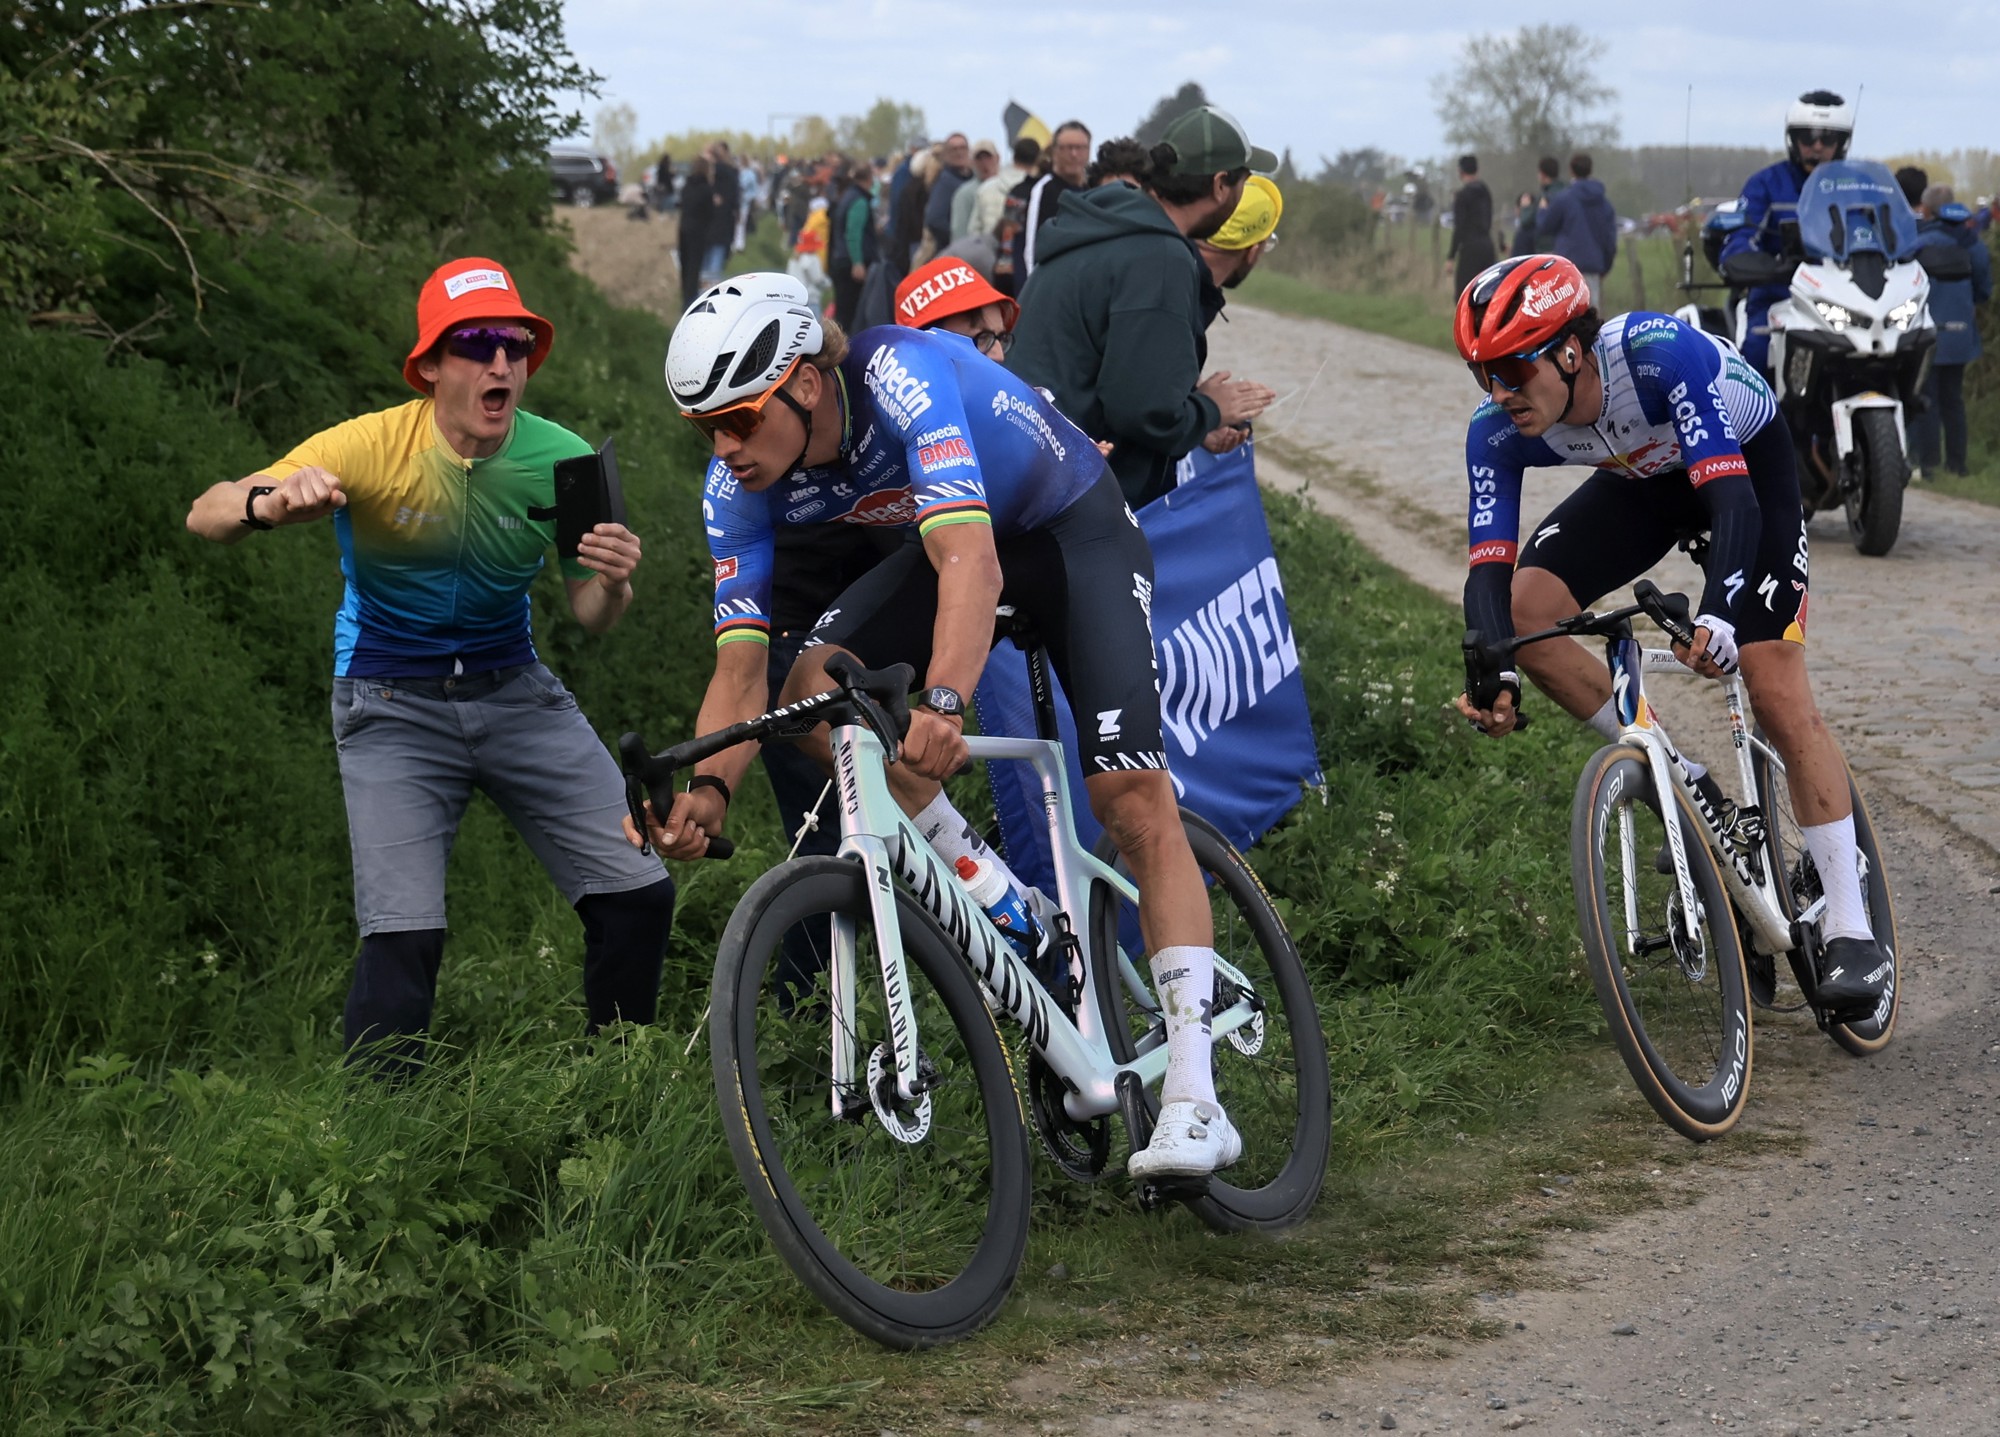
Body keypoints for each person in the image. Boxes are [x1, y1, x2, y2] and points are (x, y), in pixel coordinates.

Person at [651, 273, 1249, 1178]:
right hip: (965, 546)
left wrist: (943, 702)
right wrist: (707, 789)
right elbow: (740, 673)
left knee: (1128, 799)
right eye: (707, 429)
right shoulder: (734, 489)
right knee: (812, 693)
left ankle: (1197, 1096)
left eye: (739, 420)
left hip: (1071, 534)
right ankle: (1010, 903)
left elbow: (971, 561)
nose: (725, 446)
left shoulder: (905, 375)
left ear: (806, 383)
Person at [183, 257, 675, 1072]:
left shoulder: (564, 460)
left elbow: (590, 616)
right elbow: (207, 513)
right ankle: (379, 1157)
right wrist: (269, 503)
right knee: (402, 937)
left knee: (641, 891)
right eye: (476, 343)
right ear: (431, 367)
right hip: (389, 699)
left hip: (513, 684)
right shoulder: (370, 446)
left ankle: (614, 1089)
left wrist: (614, 582)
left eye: (515, 345)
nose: (500, 363)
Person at [1451, 254, 1893, 1024]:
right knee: (1528, 612)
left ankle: (1855, 932)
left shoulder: (1655, 356)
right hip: (1640, 484)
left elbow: (1732, 502)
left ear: (1568, 350)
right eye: (1482, 373)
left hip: (1743, 475)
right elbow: (1488, 572)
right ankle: (1691, 788)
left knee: (1770, 679)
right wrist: (1495, 675)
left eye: (1512, 370)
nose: (1499, 394)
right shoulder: (1497, 430)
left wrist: (1720, 615)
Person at [1007, 105, 1277, 509]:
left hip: (1030, 465)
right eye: (1242, 183)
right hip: (1072, 500)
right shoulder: (1160, 256)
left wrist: (1191, 417)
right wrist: (1208, 409)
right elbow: (1140, 410)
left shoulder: (1112, 222)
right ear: (1221, 185)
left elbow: (1118, 377)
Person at [1718, 91, 1855, 376]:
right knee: (1755, 353)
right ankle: (1752, 418)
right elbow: (1742, 234)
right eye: (1807, 137)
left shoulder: (1858, 186)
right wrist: (1751, 261)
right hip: (1782, 297)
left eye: (1827, 138)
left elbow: (1889, 233)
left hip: (1850, 299)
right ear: (1793, 139)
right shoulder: (1765, 184)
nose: (1817, 146)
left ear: (1842, 142)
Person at [1191, 174, 1282, 456]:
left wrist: (1199, 426)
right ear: (1253, 251)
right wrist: (1205, 410)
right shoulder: (1184, 293)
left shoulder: (1188, 279)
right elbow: (1140, 406)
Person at [1910, 184, 1992, 476]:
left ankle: (1927, 464)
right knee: (1953, 400)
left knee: (1926, 398)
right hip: (1960, 332)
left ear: (1928, 210)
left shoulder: (1920, 242)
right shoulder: (1973, 243)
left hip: (1926, 331)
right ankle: (1958, 465)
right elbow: (1984, 288)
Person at [1009, 119, 1091, 285]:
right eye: (1067, 148)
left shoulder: (1093, 189)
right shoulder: (1042, 190)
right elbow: (1029, 247)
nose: (1074, 154)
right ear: (1054, 151)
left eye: (1080, 148)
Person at [1536, 153, 1616, 305]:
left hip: (1567, 267)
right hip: (1593, 266)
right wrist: (1605, 265)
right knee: (1591, 316)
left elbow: (1545, 227)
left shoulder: (1564, 199)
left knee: (1567, 315)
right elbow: (1609, 238)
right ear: (1590, 170)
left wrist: (1542, 211)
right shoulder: (1604, 203)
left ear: (1571, 171)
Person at [827, 158, 876, 329]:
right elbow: (853, 234)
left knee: (842, 312)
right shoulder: (860, 201)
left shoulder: (847, 196)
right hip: (850, 263)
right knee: (850, 314)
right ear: (870, 178)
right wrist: (857, 262)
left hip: (839, 259)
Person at [1449, 154, 1496, 297]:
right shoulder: (1485, 192)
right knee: (1488, 293)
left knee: (1464, 294)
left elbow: (1459, 228)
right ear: (1477, 170)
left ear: (1460, 172)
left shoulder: (1462, 196)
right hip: (1487, 246)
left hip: (1470, 249)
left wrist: (1451, 256)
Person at [924, 132, 974, 251]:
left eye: (963, 148)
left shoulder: (972, 178)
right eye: (954, 149)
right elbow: (934, 220)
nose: (959, 152)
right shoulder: (945, 182)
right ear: (946, 154)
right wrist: (958, 238)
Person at [677, 156, 715, 310]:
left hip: (683, 228)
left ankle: (684, 298)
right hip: (698, 230)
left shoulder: (687, 186)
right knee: (694, 266)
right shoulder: (706, 189)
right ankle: (690, 301)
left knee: (685, 265)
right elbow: (710, 212)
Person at [949, 138, 1001, 241]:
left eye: (988, 157)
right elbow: (959, 231)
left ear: (997, 158)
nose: (984, 163)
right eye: (979, 158)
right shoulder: (965, 194)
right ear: (972, 162)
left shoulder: (1006, 187)